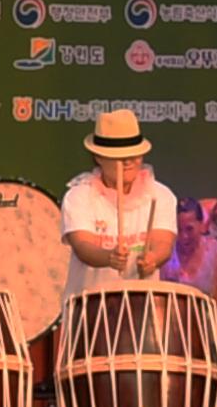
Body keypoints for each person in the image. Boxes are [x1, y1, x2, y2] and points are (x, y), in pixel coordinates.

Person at [62, 109, 177, 299]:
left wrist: (153, 258)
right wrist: (108, 257)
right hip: (89, 307)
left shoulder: (160, 195)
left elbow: (163, 242)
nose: (129, 162)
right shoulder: (79, 196)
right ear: (98, 157)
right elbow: (82, 245)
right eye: (119, 157)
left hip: (141, 305)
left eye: (135, 155)